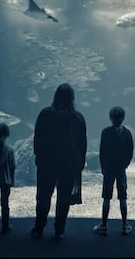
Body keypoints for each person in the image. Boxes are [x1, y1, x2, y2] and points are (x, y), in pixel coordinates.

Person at [31, 83, 87, 239]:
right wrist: (80, 162)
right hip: (69, 164)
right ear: (72, 98)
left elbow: (38, 138)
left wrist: (38, 155)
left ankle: (39, 227)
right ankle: (59, 229)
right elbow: (82, 143)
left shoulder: (45, 114)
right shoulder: (77, 117)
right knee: (63, 198)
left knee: (43, 196)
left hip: (47, 163)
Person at [93, 106, 134, 236]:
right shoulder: (127, 133)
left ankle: (104, 225)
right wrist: (125, 164)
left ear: (110, 118)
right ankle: (124, 225)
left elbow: (102, 151)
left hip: (109, 168)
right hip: (120, 168)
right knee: (123, 197)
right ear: (123, 118)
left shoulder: (105, 132)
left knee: (106, 197)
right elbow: (130, 150)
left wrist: (103, 166)